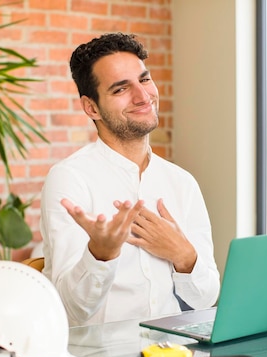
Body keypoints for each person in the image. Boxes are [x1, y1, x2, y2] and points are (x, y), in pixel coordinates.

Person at [40, 33, 220, 326]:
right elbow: (71, 310)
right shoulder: (70, 179)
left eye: (144, 79)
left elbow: (205, 298)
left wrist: (183, 254)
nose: (142, 96)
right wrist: (100, 254)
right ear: (92, 108)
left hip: (170, 356)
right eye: (121, 88)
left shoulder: (181, 183)